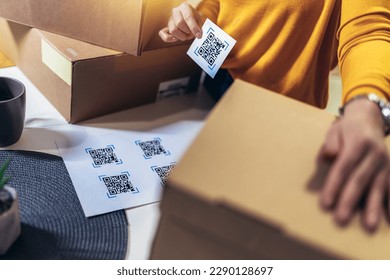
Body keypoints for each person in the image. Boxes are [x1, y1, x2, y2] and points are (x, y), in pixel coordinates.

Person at [159, 0, 390, 232]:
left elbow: (368, 30)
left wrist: (366, 105)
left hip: (279, 110)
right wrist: (199, 18)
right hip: (217, 75)